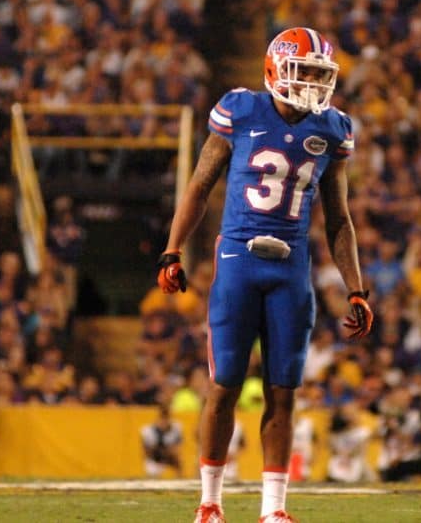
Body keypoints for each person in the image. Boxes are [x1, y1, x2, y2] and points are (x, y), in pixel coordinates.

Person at [156, 27, 373, 523]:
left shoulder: (334, 128)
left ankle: (273, 510)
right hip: (238, 260)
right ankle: (210, 502)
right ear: (276, 69)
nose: (314, 85)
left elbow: (339, 218)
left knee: (283, 390)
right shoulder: (241, 110)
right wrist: (172, 251)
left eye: (322, 75)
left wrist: (356, 288)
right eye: (306, 73)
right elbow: (199, 186)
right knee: (225, 385)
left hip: (291, 269)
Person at [141, 405, 184, 478]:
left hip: (169, 458)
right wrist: (159, 451)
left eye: (166, 418)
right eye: (162, 418)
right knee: (152, 477)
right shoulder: (148, 431)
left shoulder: (175, 428)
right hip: (154, 458)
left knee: (177, 462)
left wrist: (169, 453)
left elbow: (177, 448)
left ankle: (179, 478)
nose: (164, 421)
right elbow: (146, 451)